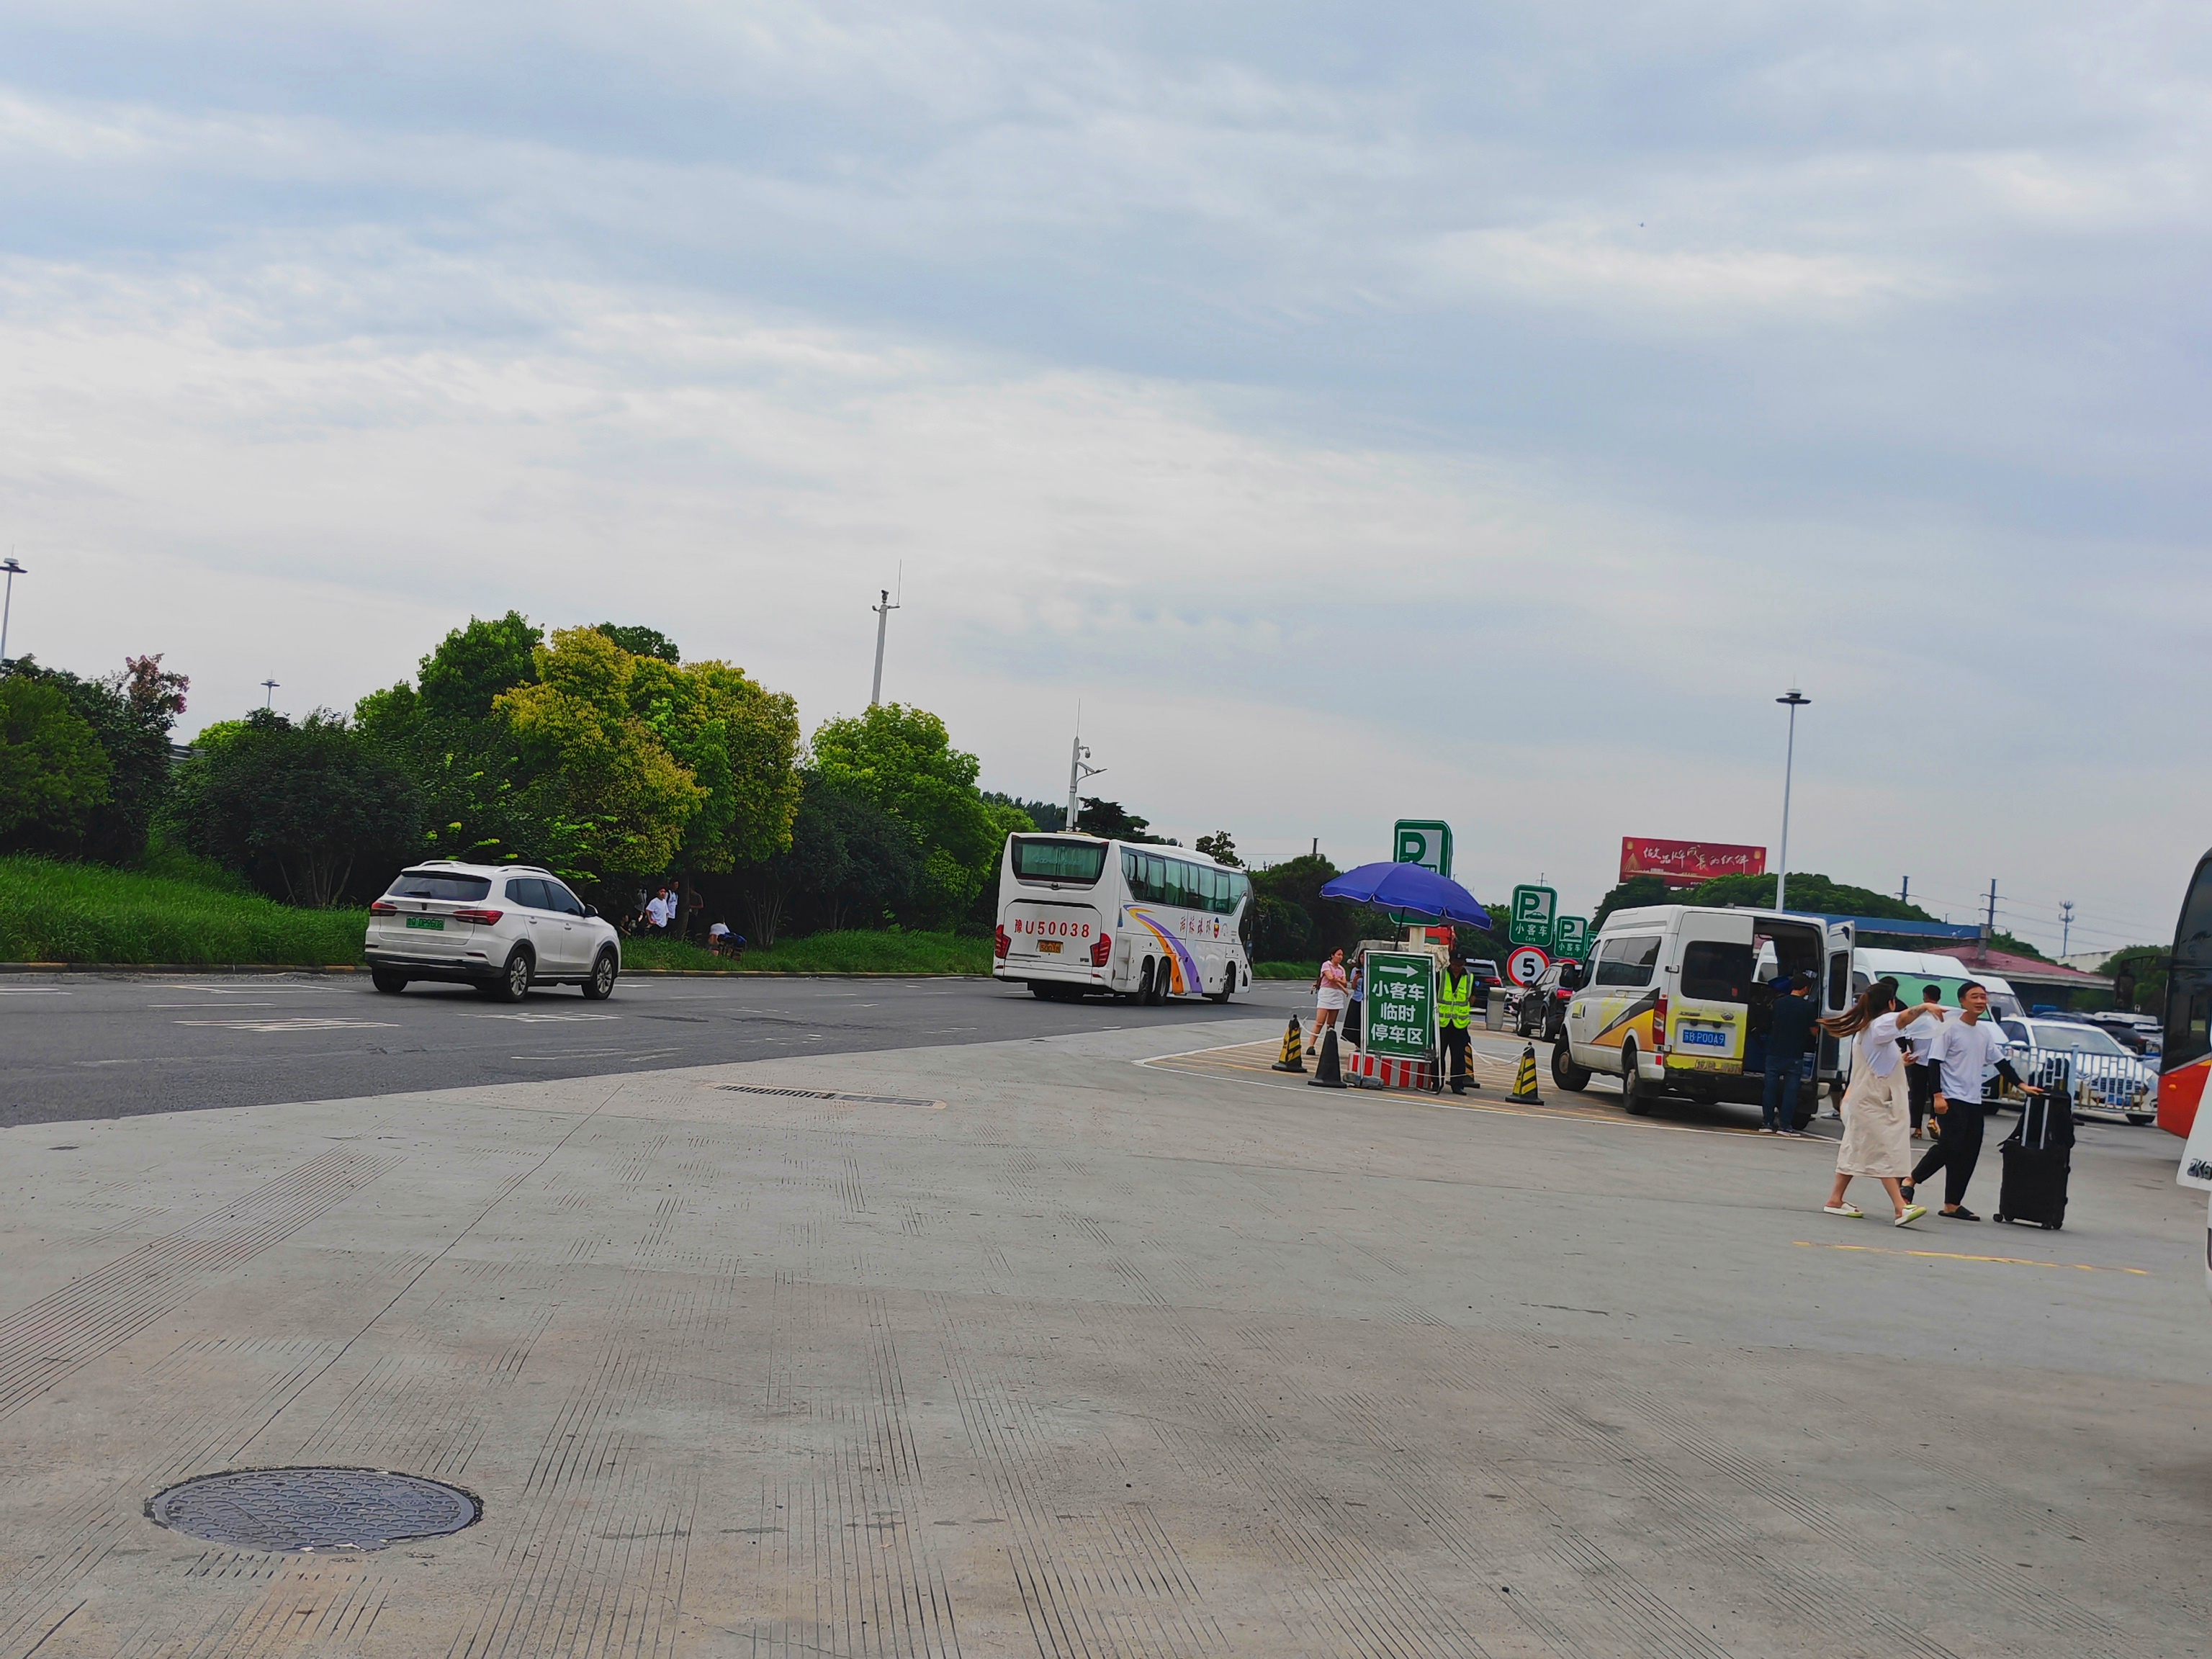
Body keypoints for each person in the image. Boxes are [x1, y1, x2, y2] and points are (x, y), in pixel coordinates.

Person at [1905, 980, 2040, 1219]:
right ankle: (1911, 1180)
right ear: (1962, 1001)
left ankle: (1952, 1204)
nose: (1980, 1001)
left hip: (1973, 1101)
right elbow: (1934, 1063)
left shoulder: (1983, 1031)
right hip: (1951, 1098)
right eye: (1975, 997)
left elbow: (2000, 1062)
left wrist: (2021, 1085)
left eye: (1983, 997)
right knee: (1949, 1146)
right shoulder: (1950, 1028)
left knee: (1969, 1152)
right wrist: (1937, 1096)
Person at [1819, 978, 1936, 1225]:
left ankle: (1835, 1199)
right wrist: (1924, 1008)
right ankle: (1899, 1207)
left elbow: (1877, 1062)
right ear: (1891, 1003)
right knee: (1886, 1150)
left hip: (1865, 1098)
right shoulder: (1881, 1024)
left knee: (1857, 1147)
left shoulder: (1869, 1028)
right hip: (1873, 1101)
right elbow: (1901, 1020)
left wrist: (1901, 1062)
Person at [1762, 971, 1820, 1134]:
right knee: (1790, 1091)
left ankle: (1766, 1122)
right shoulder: (1808, 1007)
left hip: (1774, 1052)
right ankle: (1785, 1125)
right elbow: (1814, 1032)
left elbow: (1771, 1023)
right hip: (1794, 1055)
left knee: (1770, 1089)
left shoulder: (1779, 1003)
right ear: (1805, 988)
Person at [1904, 984, 1946, 1139]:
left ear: (1925, 996)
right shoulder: (1944, 1015)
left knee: (1918, 1095)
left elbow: (1909, 1037)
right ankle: (1934, 1121)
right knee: (1937, 1093)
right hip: (1938, 1061)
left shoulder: (1920, 1016)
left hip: (1919, 1060)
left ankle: (1916, 1127)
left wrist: (1913, 1052)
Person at [1437, 952, 1480, 1095]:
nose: (1457, 968)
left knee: (1459, 1057)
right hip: (1441, 1023)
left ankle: (1457, 1085)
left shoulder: (1470, 978)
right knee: (1439, 1055)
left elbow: (1473, 997)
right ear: (1450, 962)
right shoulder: (1441, 975)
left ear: (1464, 965)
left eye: (1460, 965)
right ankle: (1437, 1083)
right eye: (1455, 964)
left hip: (1460, 1025)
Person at [1310, 950, 1349, 1054]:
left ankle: (1328, 1047)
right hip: (1326, 993)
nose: (1340, 957)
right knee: (1319, 1022)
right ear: (1332, 955)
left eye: (1342, 955)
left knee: (1331, 1024)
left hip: (1337, 995)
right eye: (1338, 955)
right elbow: (1330, 978)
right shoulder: (1326, 965)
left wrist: (1339, 982)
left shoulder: (1341, 969)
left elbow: (1345, 983)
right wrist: (1340, 981)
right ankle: (1311, 1046)